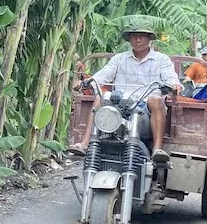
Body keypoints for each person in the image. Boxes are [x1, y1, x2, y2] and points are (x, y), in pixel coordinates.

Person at [69, 23, 182, 163]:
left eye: (142, 36)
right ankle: (85, 143)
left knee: (155, 98)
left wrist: (174, 85)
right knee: (100, 97)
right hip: (120, 105)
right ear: (129, 39)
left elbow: (170, 76)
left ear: (149, 39)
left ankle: (157, 149)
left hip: (145, 107)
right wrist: (86, 82)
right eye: (134, 37)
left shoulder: (161, 59)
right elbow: (103, 75)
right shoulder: (119, 59)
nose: (138, 40)